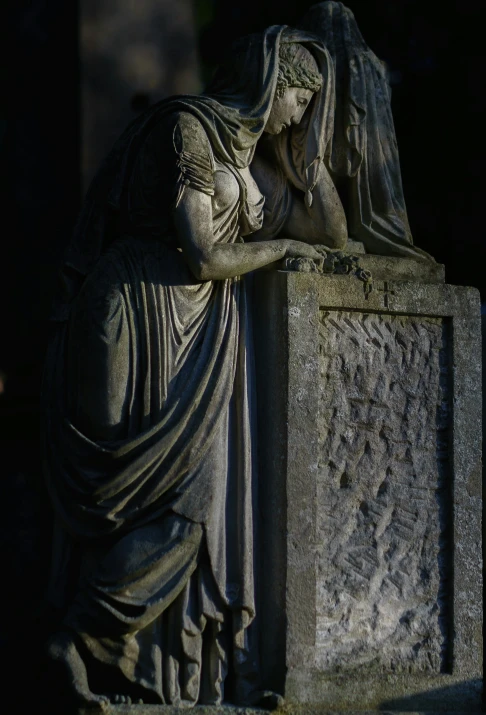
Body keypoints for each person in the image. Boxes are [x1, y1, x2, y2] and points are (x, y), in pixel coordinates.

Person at [43, 25, 347, 710]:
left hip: (198, 328)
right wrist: (280, 255)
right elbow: (204, 256)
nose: (299, 113)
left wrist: (310, 155)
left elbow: (331, 234)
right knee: (125, 495)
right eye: (298, 99)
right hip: (135, 310)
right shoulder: (188, 130)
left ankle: (108, 649)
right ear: (268, 86)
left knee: (191, 503)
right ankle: (84, 645)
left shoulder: (258, 158)